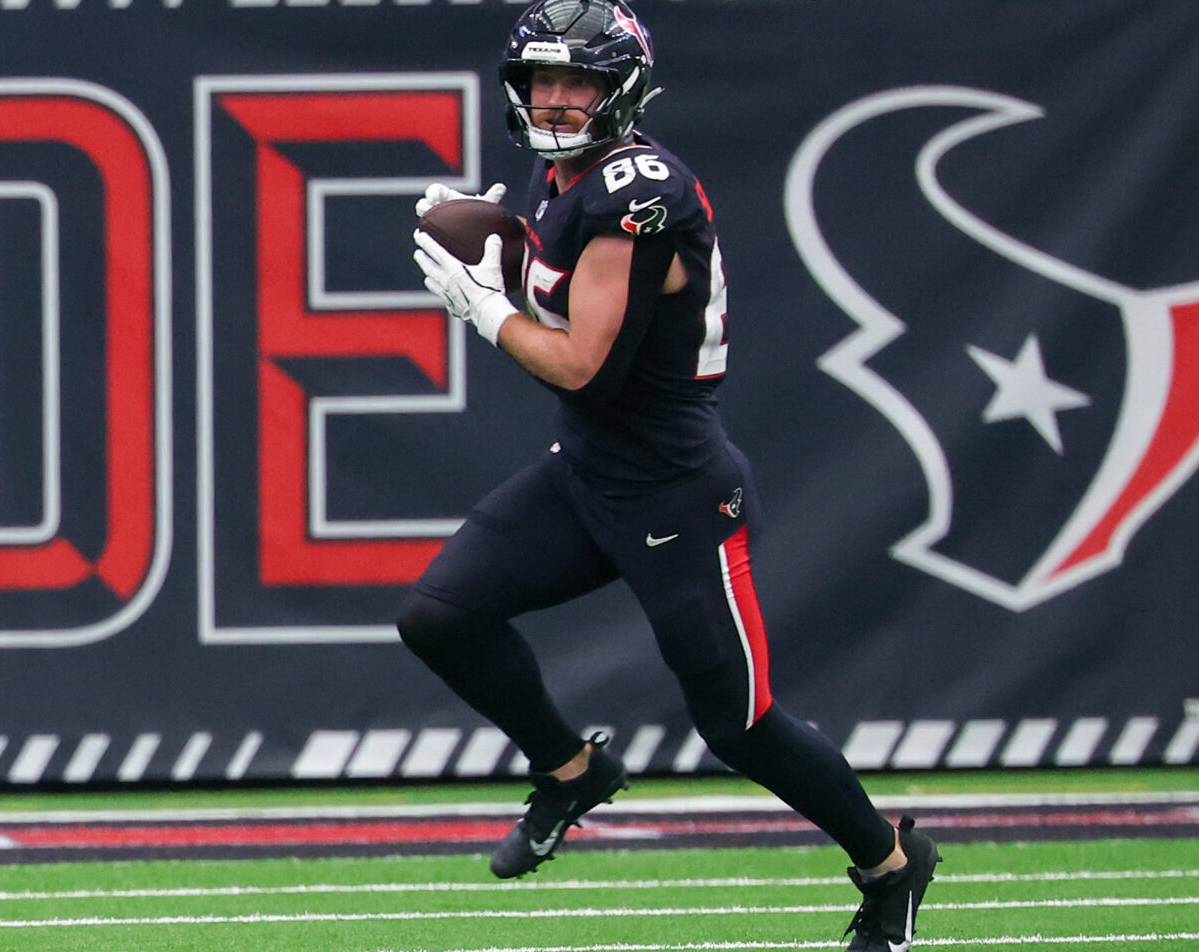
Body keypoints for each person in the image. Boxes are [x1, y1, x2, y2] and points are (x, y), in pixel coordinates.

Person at [401, 2, 939, 948]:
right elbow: (563, 293)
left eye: (578, 82)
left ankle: (892, 862)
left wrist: (486, 306)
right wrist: (501, 244)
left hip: (676, 492)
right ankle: (571, 771)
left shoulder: (640, 190)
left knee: (738, 726)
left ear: (621, 91)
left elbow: (585, 366)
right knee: (439, 617)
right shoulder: (563, 173)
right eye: (543, 80)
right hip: (588, 471)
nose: (555, 99)